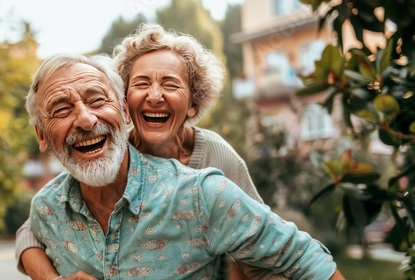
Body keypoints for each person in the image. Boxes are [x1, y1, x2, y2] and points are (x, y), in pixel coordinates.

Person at [22, 51, 344, 279]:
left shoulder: (203, 190)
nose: (86, 119)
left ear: (122, 112)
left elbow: (301, 258)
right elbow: (29, 236)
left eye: (96, 100)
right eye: (61, 109)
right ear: (41, 135)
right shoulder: (47, 209)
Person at [17, 23, 267, 279]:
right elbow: (33, 230)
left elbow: (261, 244)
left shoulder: (217, 157)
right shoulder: (108, 150)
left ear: (192, 103)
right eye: (141, 83)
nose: (154, 96)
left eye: (170, 84)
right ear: (124, 102)